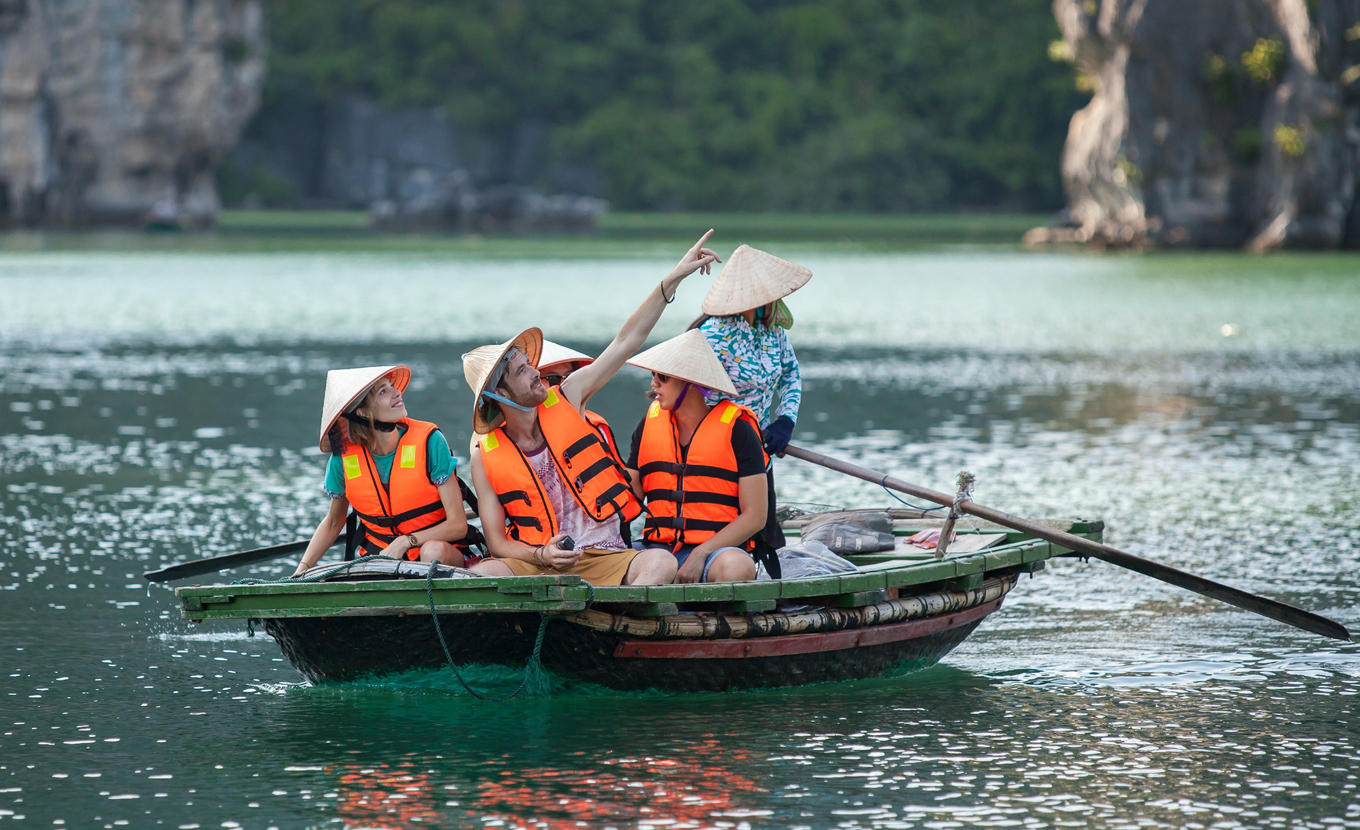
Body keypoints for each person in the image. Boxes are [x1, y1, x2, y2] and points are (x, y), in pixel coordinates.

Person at [463, 232, 721, 585]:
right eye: (523, 371)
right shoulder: (483, 455)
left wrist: (673, 279)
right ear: (501, 395)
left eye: (530, 364)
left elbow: (625, 342)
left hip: (604, 555)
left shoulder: (569, 396)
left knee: (660, 563)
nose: (538, 373)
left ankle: (619, 623)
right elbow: (497, 542)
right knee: (481, 574)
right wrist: (541, 554)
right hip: (540, 562)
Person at [691, 244, 813, 572]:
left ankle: (770, 589)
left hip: (761, 454)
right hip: (722, 456)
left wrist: (785, 419)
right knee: (733, 535)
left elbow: (791, 375)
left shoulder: (772, 332)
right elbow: (699, 400)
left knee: (765, 538)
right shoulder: (713, 336)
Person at [292, 365, 471, 577]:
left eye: (392, 386)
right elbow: (334, 521)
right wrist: (301, 571)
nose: (397, 393)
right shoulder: (343, 457)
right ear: (363, 412)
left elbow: (459, 525)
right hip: (380, 561)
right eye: (384, 391)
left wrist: (405, 542)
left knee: (432, 550)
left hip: (439, 555)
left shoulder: (430, 441)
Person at [624, 329, 768, 583]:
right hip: (656, 551)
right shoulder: (649, 424)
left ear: (690, 383)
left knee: (737, 567)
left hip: (716, 554)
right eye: (653, 375)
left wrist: (701, 553)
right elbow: (627, 499)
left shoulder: (738, 429)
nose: (653, 383)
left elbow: (756, 516)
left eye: (663, 377)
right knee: (608, 561)